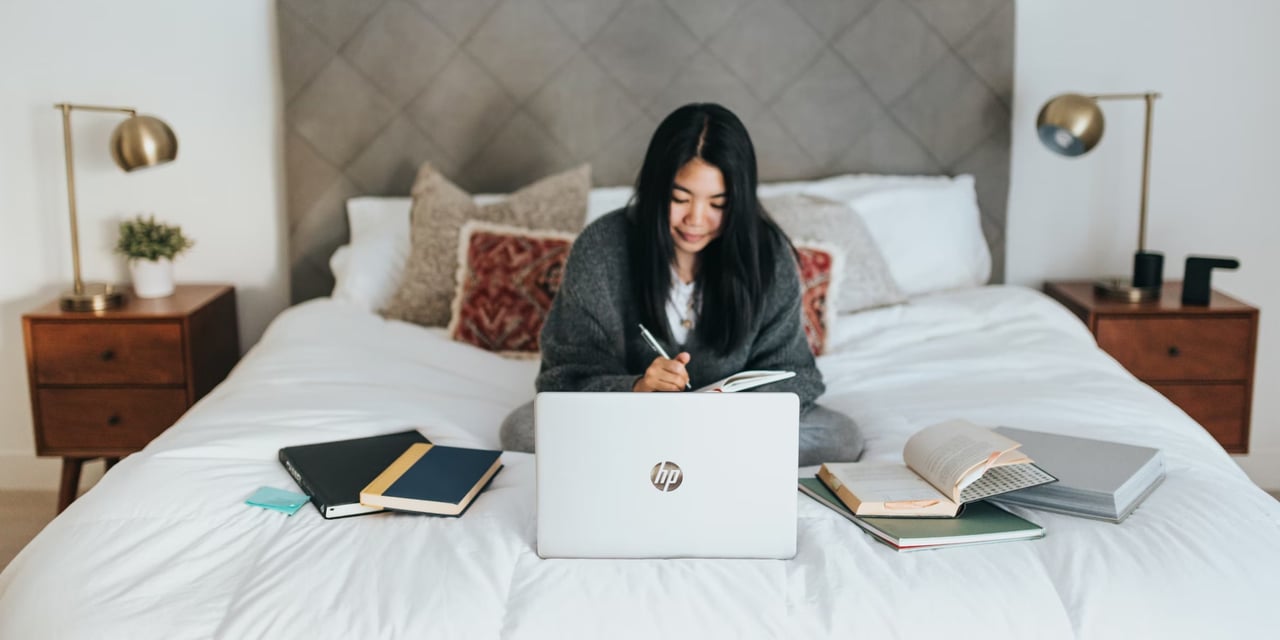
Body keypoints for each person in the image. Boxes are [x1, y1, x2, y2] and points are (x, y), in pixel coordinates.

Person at [500, 103, 863, 466]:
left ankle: (661, 459)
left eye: (718, 204)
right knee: (522, 430)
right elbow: (563, 378)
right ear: (655, 189)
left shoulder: (767, 256)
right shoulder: (601, 248)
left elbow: (797, 374)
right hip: (628, 417)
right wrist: (636, 388)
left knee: (840, 437)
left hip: (729, 425)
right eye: (679, 199)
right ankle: (701, 460)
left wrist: (730, 408)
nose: (696, 219)